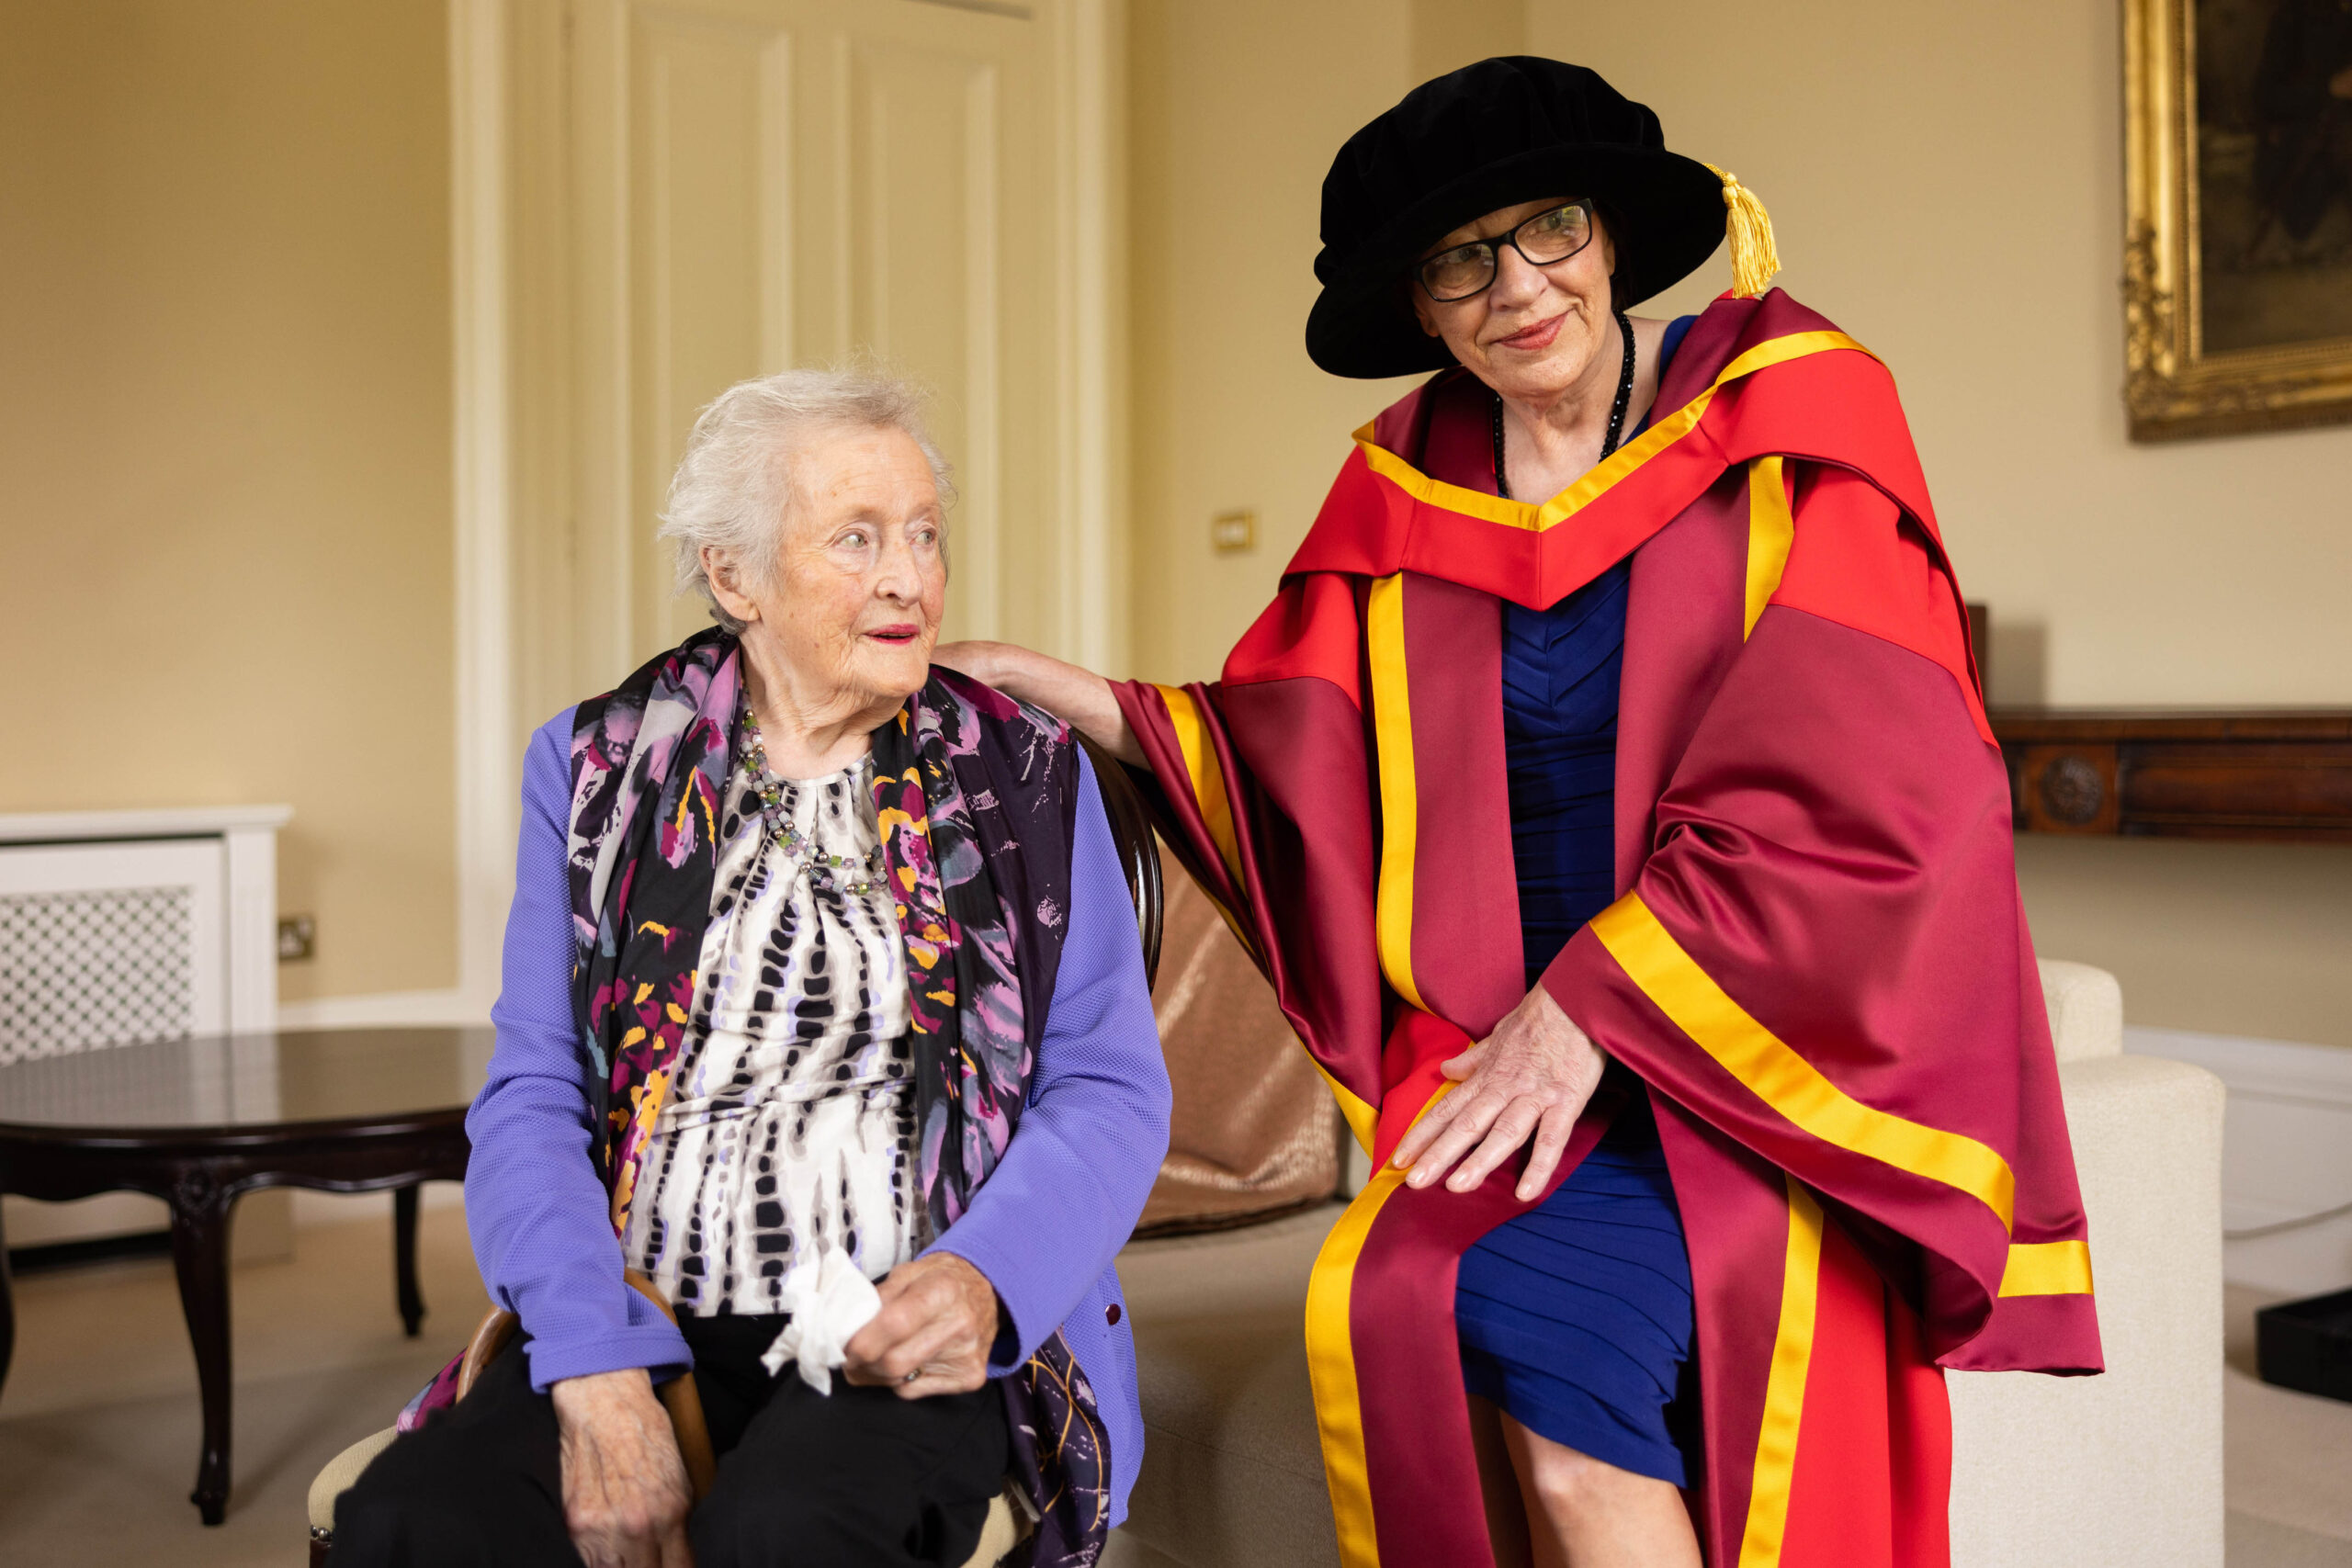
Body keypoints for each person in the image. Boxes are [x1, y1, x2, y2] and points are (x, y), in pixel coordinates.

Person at [941, 57, 2100, 1568]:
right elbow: (1303, 756)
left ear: (1612, 234)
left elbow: (1862, 781)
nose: (1520, 285)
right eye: (1461, 259)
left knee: (1565, 1403)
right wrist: (1078, 690)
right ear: (1421, 308)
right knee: (1418, 1299)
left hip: (1753, 1060)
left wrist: (1595, 1007)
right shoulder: (1402, 494)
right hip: (1506, 1075)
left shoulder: (1793, 425)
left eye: (1549, 227)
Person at [335, 369, 1170, 1568]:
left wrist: (986, 1282)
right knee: (424, 1521)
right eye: (858, 538)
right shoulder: (591, 770)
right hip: (645, 1291)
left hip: (912, 1304)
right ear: (734, 575)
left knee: (792, 1534)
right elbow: (537, 1096)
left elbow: (1107, 1087)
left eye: (925, 534)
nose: (909, 577)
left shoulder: (1025, 775)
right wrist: (593, 1360)